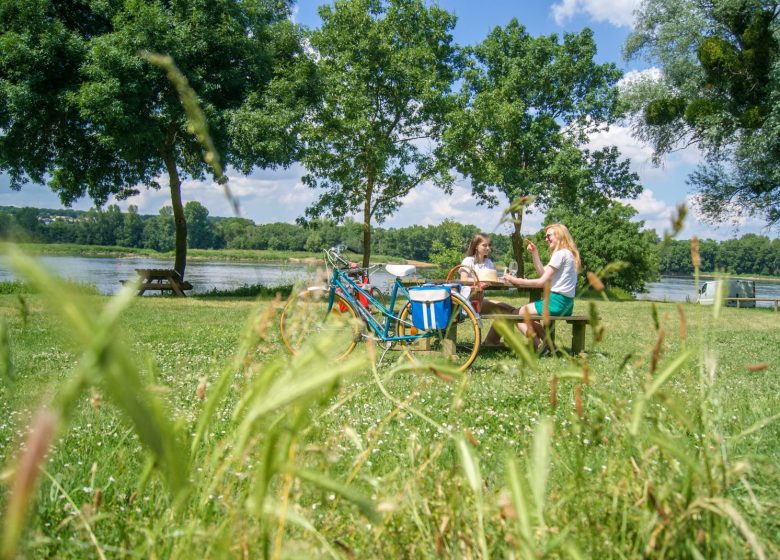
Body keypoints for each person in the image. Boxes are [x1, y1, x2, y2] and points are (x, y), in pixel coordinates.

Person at [495, 223, 580, 353]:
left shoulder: (560, 254)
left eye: (548, 236)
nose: (546, 239)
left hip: (556, 302)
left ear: (559, 235)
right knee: (526, 315)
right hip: (567, 304)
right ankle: (549, 346)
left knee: (516, 314)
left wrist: (516, 281)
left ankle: (539, 346)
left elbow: (541, 282)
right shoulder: (567, 254)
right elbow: (543, 273)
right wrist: (535, 253)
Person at [459, 233, 513, 333]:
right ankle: (492, 341)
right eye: (484, 245)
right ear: (475, 246)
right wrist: (481, 280)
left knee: (509, 309)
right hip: (468, 301)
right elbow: (464, 280)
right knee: (508, 310)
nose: (488, 248)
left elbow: (491, 279)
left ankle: (491, 341)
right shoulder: (468, 261)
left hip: (480, 299)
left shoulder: (488, 262)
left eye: (489, 245)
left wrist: (504, 279)